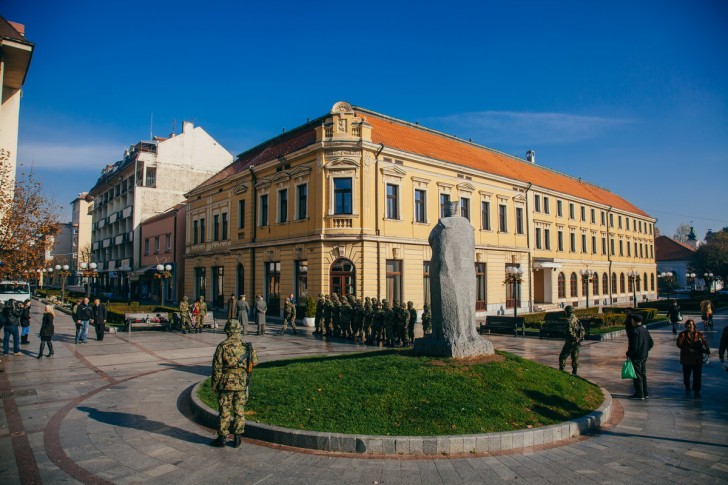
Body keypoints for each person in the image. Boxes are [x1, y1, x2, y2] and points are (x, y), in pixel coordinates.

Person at [210, 319, 258, 448]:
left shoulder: (222, 346)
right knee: (239, 410)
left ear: (227, 331)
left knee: (224, 410)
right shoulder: (246, 346)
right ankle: (237, 438)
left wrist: (214, 384)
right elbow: (255, 361)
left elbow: (217, 368)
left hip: (226, 383)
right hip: (241, 383)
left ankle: (222, 438)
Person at [676, 319, 710, 398]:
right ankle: (687, 385)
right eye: (688, 324)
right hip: (687, 358)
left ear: (694, 325)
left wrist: (707, 349)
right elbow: (679, 344)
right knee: (686, 375)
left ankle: (696, 389)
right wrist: (687, 349)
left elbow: (704, 342)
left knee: (697, 375)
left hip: (697, 358)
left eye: (691, 324)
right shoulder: (682, 334)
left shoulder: (698, 334)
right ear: (686, 326)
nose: (690, 326)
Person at [626, 313, 654, 399]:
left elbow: (634, 346)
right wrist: (645, 350)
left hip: (636, 356)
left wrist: (629, 354)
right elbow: (651, 343)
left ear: (633, 321)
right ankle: (645, 393)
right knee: (643, 374)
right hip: (644, 355)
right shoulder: (645, 330)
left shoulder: (634, 331)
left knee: (637, 375)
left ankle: (639, 393)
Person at [558, 305, 585, 375]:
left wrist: (575, 338)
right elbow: (583, 330)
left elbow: (569, 331)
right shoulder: (576, 319)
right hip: (577, 342)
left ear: (567, 312)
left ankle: (561, 370)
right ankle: (574, 371)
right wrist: (579, 338)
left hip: (571, 342)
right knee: (575, 357)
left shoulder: (569, 320)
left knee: (562, 356)